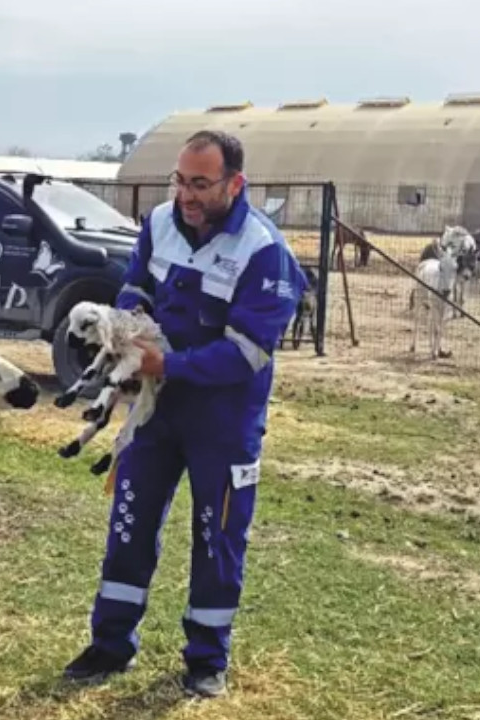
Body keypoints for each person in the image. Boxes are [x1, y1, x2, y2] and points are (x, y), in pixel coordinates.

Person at [61, 129, 308, 698]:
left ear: (234, 183)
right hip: (156, 413)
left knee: (217, 536)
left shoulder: (264, 252)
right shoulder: (159, 224)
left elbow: (247, 353)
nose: (186, 195)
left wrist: (166, 366)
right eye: (180, 180)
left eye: (200, 184)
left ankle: (205, 659)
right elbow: (135, 285)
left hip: (223, 421)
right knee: (129, 522)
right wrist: (127, 322)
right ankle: (110, 644)